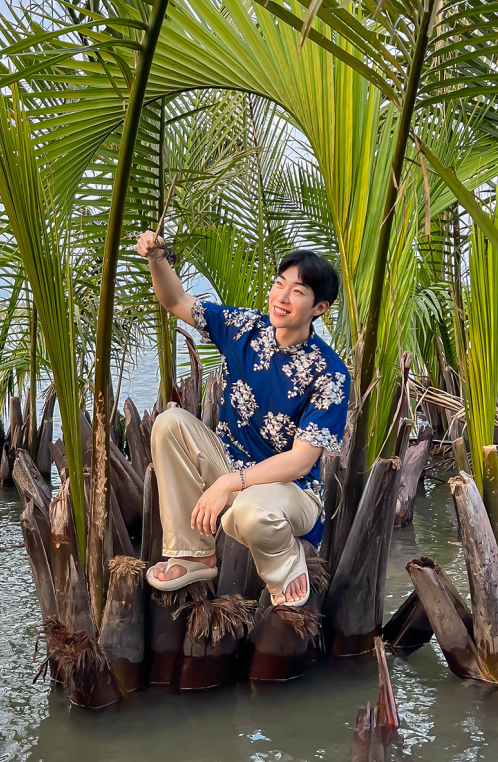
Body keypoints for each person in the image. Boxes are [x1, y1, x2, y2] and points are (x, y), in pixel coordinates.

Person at [135, 232, 349, 607]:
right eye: (279, 284)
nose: (281, 298)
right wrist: (155, 257)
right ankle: (194, 553)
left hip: (290, 493)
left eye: (297, 292)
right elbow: (176, 300)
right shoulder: (244, 329)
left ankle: (285, 564)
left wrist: (228, 484)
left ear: (320, 308)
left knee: (248, 513)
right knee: (170, 423)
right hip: (230, 467)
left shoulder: (328, 373)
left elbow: (301, 461)